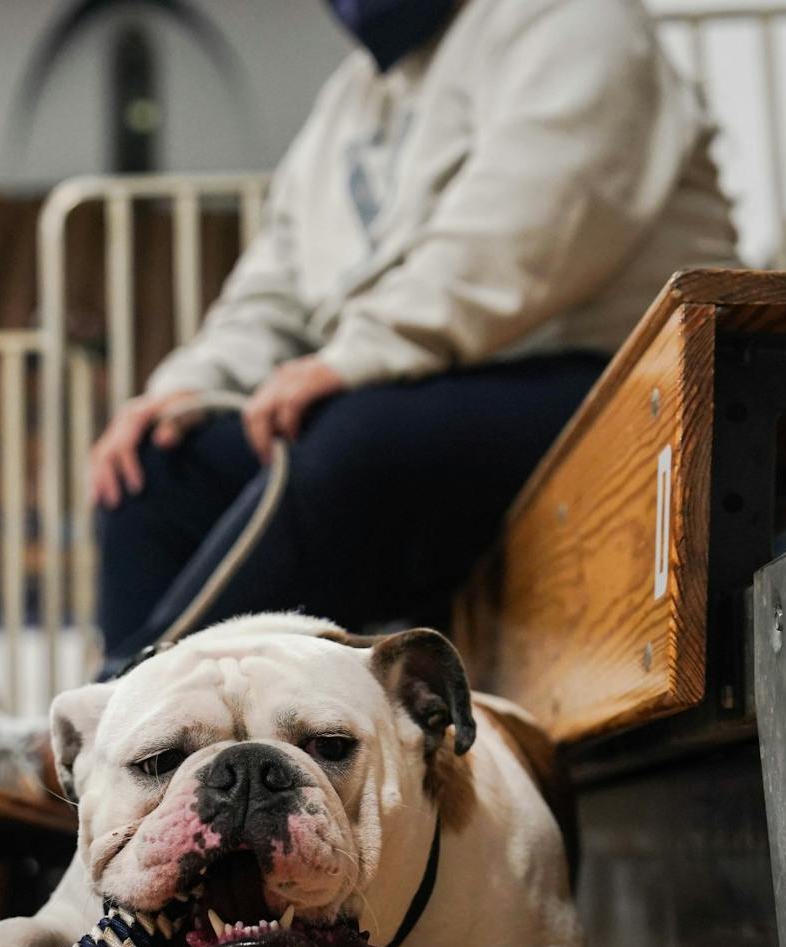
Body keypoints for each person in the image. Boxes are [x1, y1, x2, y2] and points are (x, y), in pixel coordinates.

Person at [90, 0, 738, 670]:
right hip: (412, 389)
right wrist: (188, 388)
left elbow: (532, 227)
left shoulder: (568, 17)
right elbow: (273, 289)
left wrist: (359, 354)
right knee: (155, 469)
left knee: (348, 441)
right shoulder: (349, 101)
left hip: (613, 376)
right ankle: (146, 746)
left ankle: (126, 710)